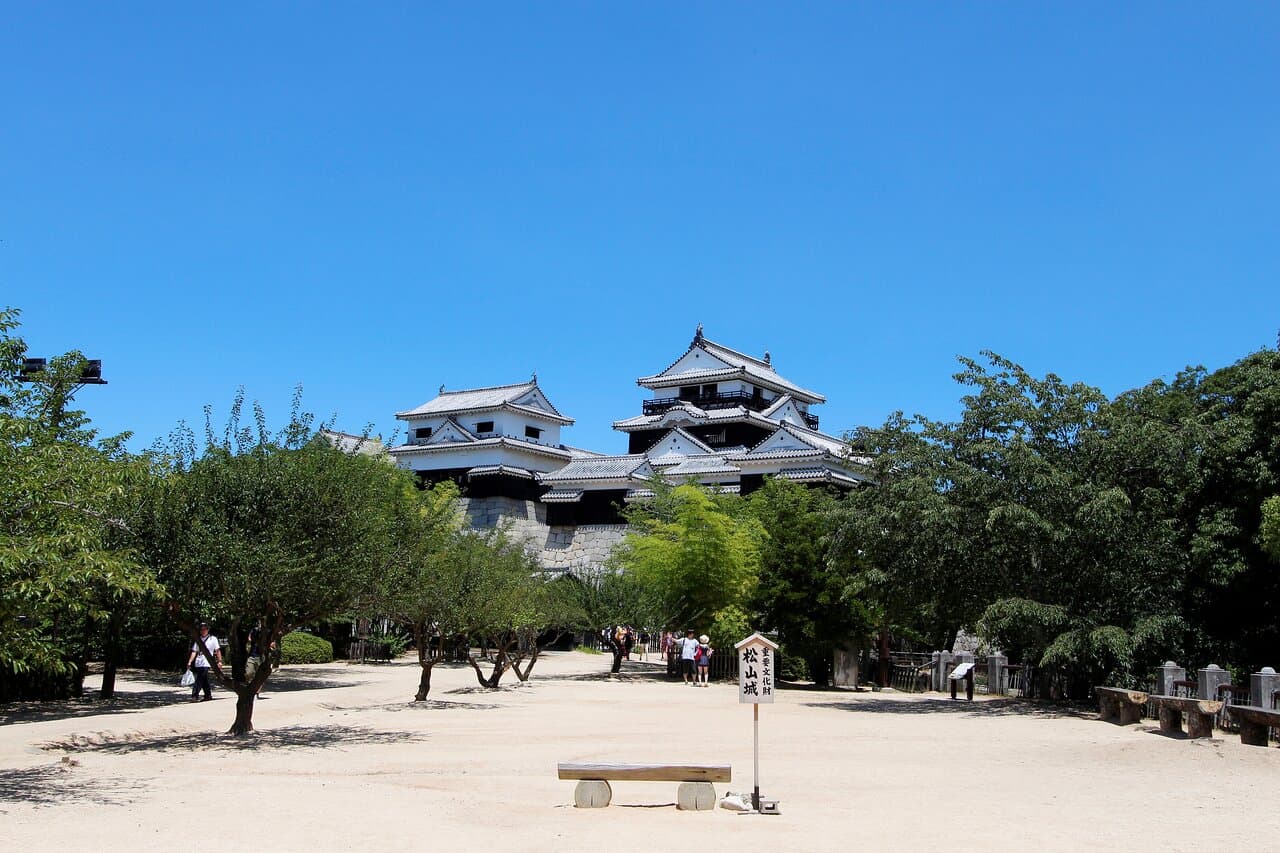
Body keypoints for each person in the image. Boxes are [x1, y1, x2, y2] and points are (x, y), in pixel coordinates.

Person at [186, 622, 222, 702]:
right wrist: (190, 662)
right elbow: (194, 651)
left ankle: (195, 695)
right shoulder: (198, 639)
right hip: (199, 662)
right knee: (204, 679)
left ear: (208, 630)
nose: (203, 631)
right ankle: (208, 695)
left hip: (207, 662)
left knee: (199, 678)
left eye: (204, 629)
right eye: (201, 629)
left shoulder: (213, 639)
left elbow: (217, 650)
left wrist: (219, 661)